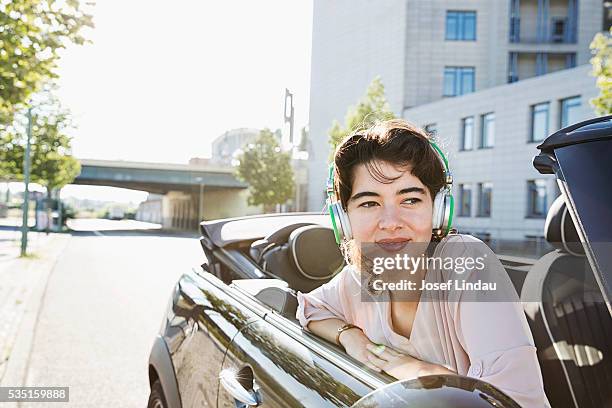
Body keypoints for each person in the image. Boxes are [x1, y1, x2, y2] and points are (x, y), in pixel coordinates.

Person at [296, 119, 550, 407]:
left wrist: (418, 372)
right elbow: (310, 308)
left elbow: (510, 401)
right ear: (344, 220)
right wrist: (350, 336)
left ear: (438, 210)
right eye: (369, 203)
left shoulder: (466, 261)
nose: (391, 223)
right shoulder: (361, 278)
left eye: (411, 200)